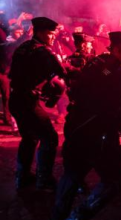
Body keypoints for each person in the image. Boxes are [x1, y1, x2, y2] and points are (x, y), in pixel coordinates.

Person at [51, 31, 121, 220]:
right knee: (116, 178)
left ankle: (58, 216)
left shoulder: (98, 61)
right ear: (116, 50)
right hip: (98, 133)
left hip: (76, 126)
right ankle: (79, 216)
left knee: (73, 173)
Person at [8, 17, 66, 191]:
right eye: (51, 33)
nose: (54, 36)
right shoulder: (42, 52)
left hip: (16, 100)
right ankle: (44, 180)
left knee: (30, 138)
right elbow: (60, 76)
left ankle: (22, 176)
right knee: (50, 137)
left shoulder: (23, 47)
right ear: (40, 32)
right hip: (28, 102)